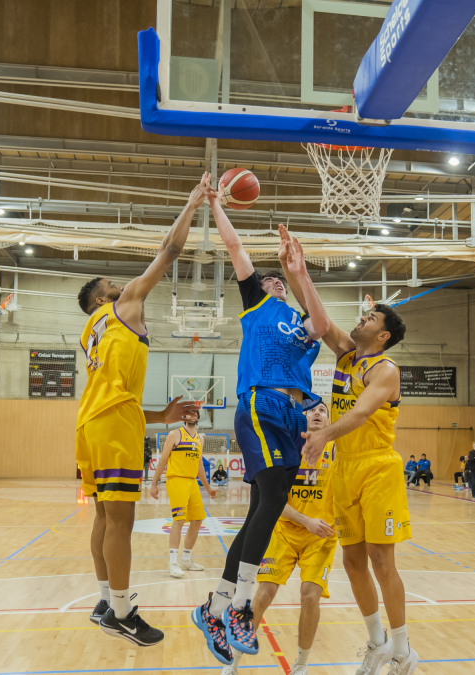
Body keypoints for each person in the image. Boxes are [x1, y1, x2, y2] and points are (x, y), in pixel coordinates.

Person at [76, 174, 209, 647]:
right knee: (120, 522)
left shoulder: (92, 331)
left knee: (103, 518)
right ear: (100, 297)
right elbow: (168, 254)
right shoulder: (121, 307)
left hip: (96, 422)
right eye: (111, 284)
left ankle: (102, 602)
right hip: (111, 425)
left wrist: (159, 416)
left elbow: (114, 394)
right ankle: (123, 612)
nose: (121, 284)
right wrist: (192, 202)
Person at [191, 220, 330, 666]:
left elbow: (323, 323)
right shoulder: (258, 305)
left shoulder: (300, 324)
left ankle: (212, 610)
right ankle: (239, 607)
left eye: (278, 281)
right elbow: (234, 246)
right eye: (268, 279)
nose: (273, 281)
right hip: (261, 404)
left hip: (292, 416)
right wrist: (216, 205)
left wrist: (301, 272)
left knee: (261, 510)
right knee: (270, 503)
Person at [300, 284, 417, 675]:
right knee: (351, 562)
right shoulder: (346, 355)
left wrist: (323, 434)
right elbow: (317, 316)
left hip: (377, 466)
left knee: (382, 561)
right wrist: (296, 270)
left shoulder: (385, 370)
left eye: (371, 318)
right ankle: (378, 642)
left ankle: (402, 650)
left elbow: (362, 413)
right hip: (345, 467)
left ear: (383, 336)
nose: (363, 318)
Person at [228, 405, 338, 675]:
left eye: (322, 410)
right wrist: (306, 521)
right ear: (300, 418)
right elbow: (272, 502)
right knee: (264, 594)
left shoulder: (338, 451)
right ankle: (234, 662)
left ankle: (301, 664)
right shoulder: (286, 451)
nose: (316, 413)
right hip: (285, 531)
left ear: (329, 419)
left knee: (310, 596)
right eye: (311, 410)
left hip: (321, 536)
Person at [150, 408, 216, 579]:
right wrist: (154, 484)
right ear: (183, 417)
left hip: (192, 482)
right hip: (176, 480)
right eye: (188, 413)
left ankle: (186, 559)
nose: (192, 416)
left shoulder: (200, 438)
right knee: (179, 520)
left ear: (198, 417)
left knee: (197, 520)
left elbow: (200, 466)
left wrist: (208, 487)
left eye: (194, 413)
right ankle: (172, 563)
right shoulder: (174, 434)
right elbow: (163, 460)